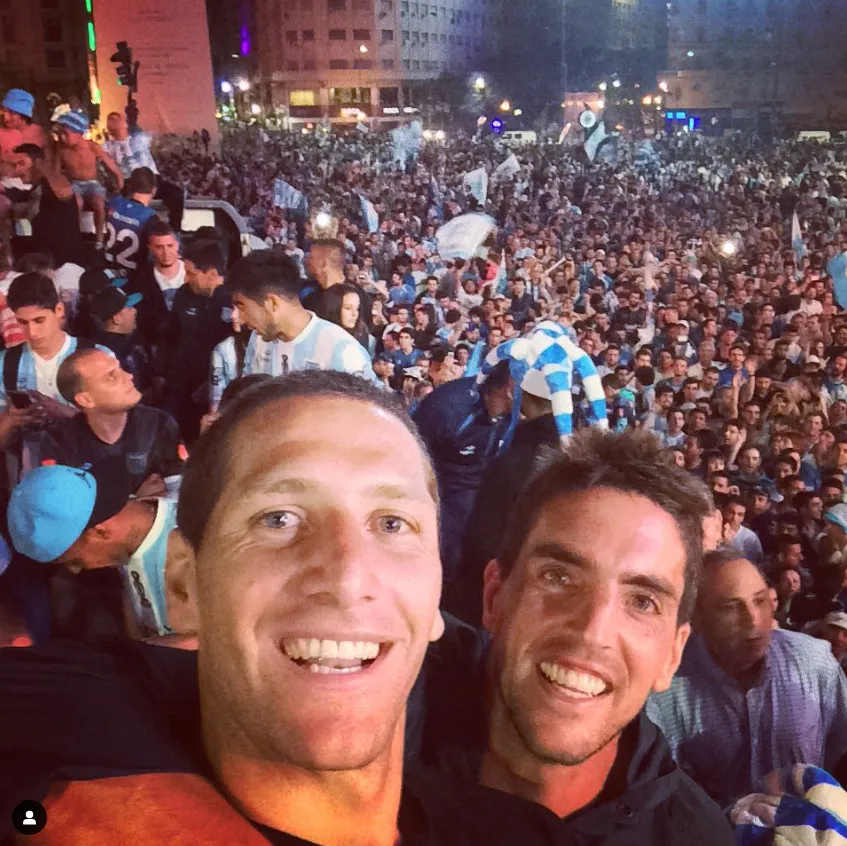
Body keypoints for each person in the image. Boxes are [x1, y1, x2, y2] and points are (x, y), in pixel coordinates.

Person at [0, 372, 557, 846]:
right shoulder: (73, 749)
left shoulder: (523, 834)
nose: (346, 577)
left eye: (392, 523)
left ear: (435, 596)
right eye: (279, 519)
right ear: (188, 581)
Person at [421, 428, 733, 844]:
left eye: (642, 601)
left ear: (672, 656)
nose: (593, 632)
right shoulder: (385, 723)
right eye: (559, 577)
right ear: (494, 596)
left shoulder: (695, 839)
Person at [647, 549, 847, 807]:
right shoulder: (665, 690)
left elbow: (839, 744)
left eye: (760, 601)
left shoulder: (814, 662)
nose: (752, 619)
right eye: (731, 607)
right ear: (696, 616)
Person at [6, 462, 179, 639]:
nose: (76, 570)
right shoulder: (134, 526)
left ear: (100, 530)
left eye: (74, 560)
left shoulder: (190, 551)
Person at [33, 348, 182, 495]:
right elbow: (63, 508)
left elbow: (179, 492)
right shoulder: (60, 442)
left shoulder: (159, 425)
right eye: (111, 376)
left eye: (120, 369)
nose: (129, 376)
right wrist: (136, 502)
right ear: (86, 400)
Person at [227, 251, 379, 385]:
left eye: (241, 307)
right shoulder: (258, 339)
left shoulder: (343, 353)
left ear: (272, 303)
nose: (236, 317)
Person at [0, 273, 111, 450]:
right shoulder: (4, 364)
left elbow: (117, 426)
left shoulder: (99, 356)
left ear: (59, 310)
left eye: (39, 320)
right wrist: (11, 419)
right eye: (22, 322)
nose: (32, 331)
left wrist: (66, 413)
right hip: (30, 470)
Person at [164, 239, 233, 442]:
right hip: (180, 386)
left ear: (211, 274)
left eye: (192, 273)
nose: (186, 279)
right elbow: (172, 335)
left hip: (216, 391)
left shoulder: (235, 302)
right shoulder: (184, 295)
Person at [53, 109, 123, 249]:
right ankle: (76, 236)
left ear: (79, 133)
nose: (62, 137)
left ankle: (99, 239)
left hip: (92, 183)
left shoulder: (92, 146)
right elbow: (56, 170)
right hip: (75, 184)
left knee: (98, 202)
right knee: (76, 203)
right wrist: (60, 184)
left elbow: (109, 162)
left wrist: (119, 177)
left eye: (66, 134)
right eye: (60, 134)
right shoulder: (61, 149)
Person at [103, 111, 184, 230]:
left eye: (117, 119)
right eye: (111, 119)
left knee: (177, 194)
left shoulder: (140, 138)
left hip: (152, 178)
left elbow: (165, 139)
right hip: (129, 182)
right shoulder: (106, 146)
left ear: (125, 123)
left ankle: (174, 230)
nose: (114, 122)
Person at [11, 143, 83, 267]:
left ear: (37, 163)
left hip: (63, 262)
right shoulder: (28, 190)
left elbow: (66, 192)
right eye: (14, 165)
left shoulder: (55, 185)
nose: (17, 169)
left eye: (22, 163)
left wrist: (43, 168)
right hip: (39, 257)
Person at [87, 284, 154, 401]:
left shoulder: (134, 338)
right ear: (116, 318)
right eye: (129, 308)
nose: (134, 310)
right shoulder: (103, 354)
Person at [104, 166, 159, 272]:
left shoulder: (114, 203)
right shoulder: (150, 217)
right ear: (154, 190)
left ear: (130, 187)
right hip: (133, 276)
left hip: (107, 270)